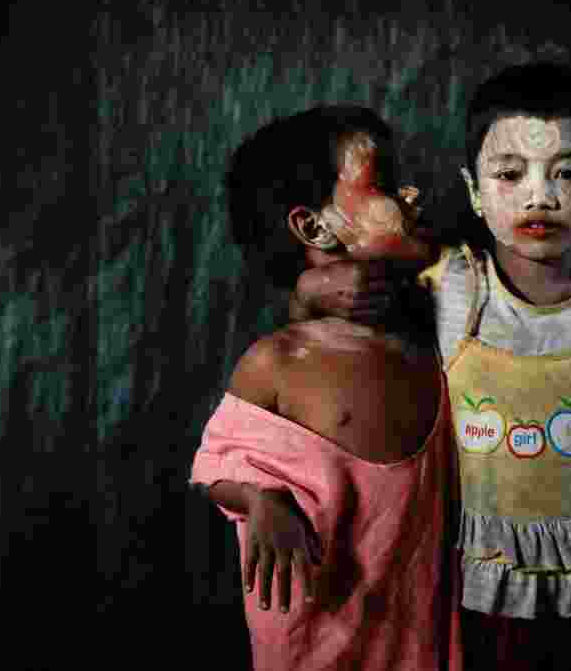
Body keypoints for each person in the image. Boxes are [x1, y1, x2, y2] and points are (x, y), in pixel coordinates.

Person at [292, 63, 571, 670]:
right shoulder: (451, 283)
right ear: (474, 191)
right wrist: (308, 291)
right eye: (510, 174)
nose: (539, 195)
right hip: (483, 564)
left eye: (568, 173)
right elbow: (332, 298)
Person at [188, 104, 462, 671]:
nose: (410, 193)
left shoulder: (433, 336)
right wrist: (262, 501)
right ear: (313, 226)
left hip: (418, 643)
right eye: (384, 182)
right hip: (320, 648)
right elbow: (213, 467)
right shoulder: (279, 363)